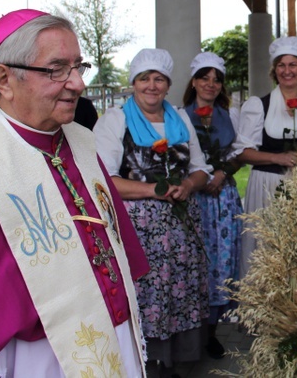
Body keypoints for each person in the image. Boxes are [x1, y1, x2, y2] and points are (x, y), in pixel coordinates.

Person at [0, 9, 149, 377]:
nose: (78, 84)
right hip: (33, 361)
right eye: (56, 70)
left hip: (113, 341)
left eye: (77, 67)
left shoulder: (81, 143)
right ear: (4, 79)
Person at [94, 48, 211, 377]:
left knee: (180, 290)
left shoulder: (180, 117)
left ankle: (176, 359)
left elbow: (201, 168)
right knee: (147, 292)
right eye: (144, 78)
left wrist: (188, 184)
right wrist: (154, 191)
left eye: (159, 79)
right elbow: (101, 179)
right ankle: (145, 361)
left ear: (168, 84)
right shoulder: (116, 119)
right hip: (138, 230)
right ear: (133, 83)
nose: (151, 85)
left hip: (182, 227)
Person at [235, 36, 297, 279]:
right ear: (274, 70)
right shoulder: (258, 105)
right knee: (267, 248)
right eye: (281, 65)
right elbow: (242, 152)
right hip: (267, 188)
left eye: (293, 65)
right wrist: (279, 158)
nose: (287, 71)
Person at [181, 51, 243, 360]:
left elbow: (238, 154)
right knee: (198, 262)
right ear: (193, 81)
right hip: (196, 199)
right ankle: (193, 331)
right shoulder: (180, 115)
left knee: (222, 263)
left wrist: (222, 173)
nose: (211, 84)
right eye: (205, 77)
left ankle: (213, 331)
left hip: (224, 199)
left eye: (217, 79)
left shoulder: (230, 114)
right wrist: (201, 177)